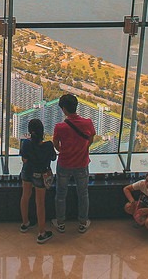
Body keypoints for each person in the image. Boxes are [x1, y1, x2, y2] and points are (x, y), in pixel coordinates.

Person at [52, 94, 96, 234]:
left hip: (64, 164)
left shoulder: (60, 127)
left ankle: (60, 223)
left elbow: (55, 145)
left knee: (60, 194)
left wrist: (64, 151)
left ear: (64, 109)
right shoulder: (87, 123)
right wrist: (82, 149)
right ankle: (83, 222)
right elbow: (91, 139)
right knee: (83, 194)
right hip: (82, 164)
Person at [19, 118, 57, 244]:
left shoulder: (26, 143)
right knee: (39, 203)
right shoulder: (48, 145)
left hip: (27, 172)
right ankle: (41, 233)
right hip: (41, 175)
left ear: (30, 132)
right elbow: (53, 158)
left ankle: (25, 223)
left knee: (25, 196)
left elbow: (24, 160)